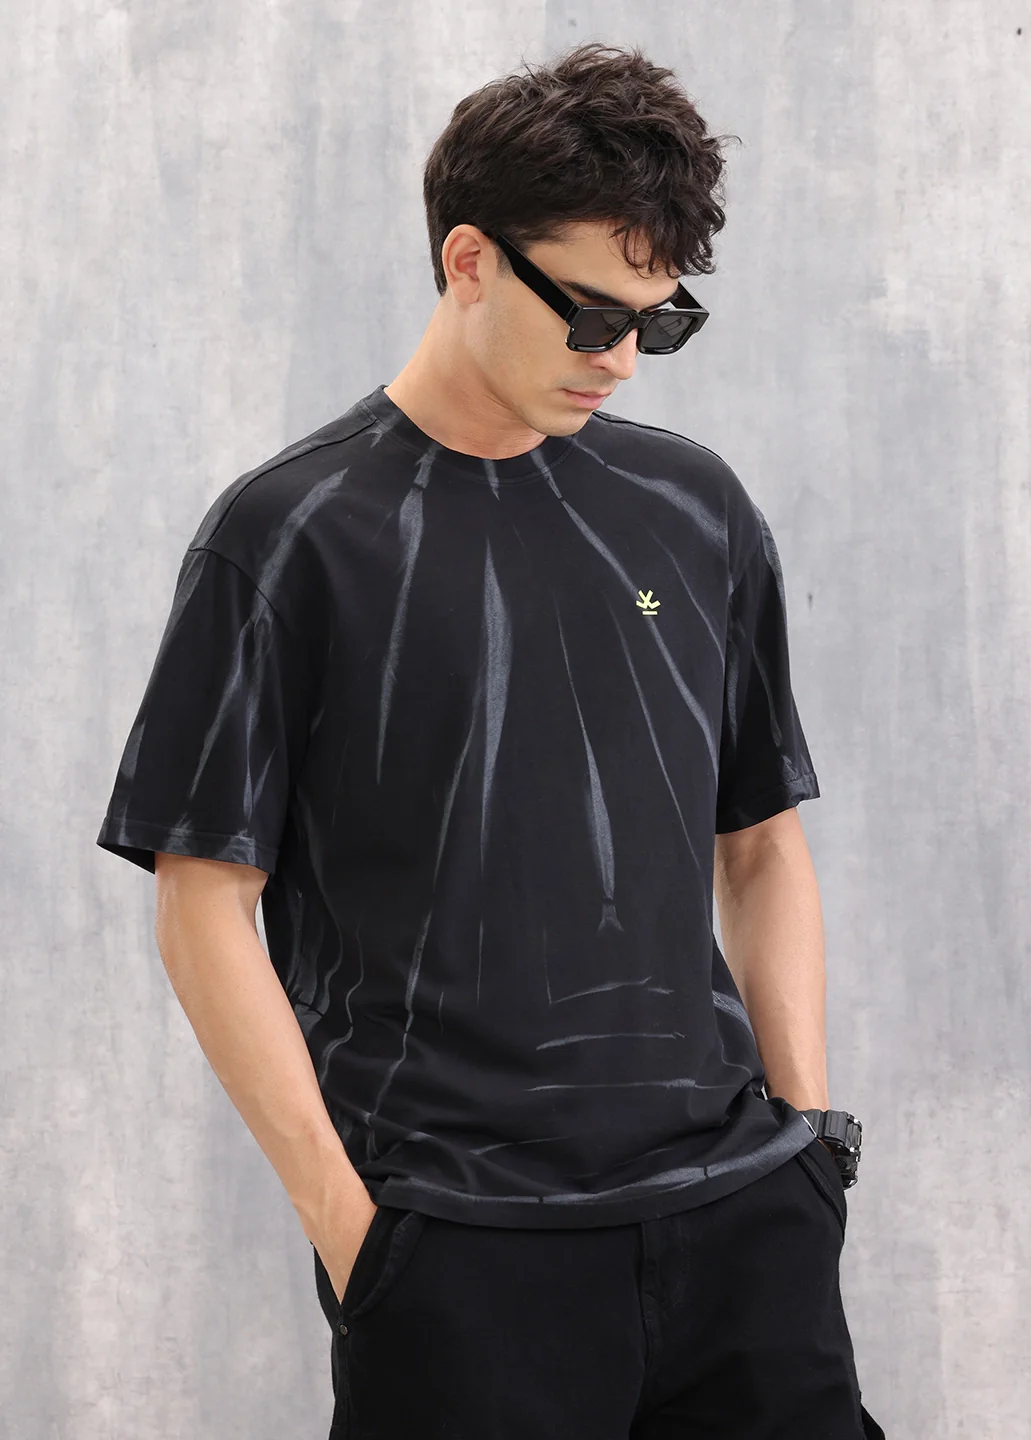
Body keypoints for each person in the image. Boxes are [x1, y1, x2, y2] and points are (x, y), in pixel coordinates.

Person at [97, 40, 884, 1440]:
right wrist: (357, 1236)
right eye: (588, 314)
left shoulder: (694, 509)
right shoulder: (288, 538)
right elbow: (202, 901)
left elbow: (761, 843)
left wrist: (808, 1144)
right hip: (463, 1258)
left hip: (743, 1230)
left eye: (659, 322)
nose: (621, 359)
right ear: (468, 260)